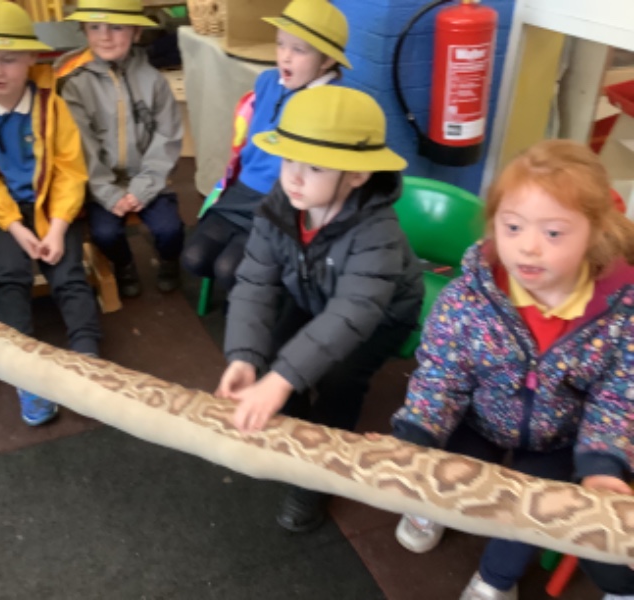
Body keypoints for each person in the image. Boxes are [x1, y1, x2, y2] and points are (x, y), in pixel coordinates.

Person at [390, 140, 634, 600]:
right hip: (479, 417)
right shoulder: (468, 298)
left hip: (559, 437)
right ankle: (431, 511)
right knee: (443, 475)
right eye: (513, 226)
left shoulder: (620, 313)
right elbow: (441, 375)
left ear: (594, 234)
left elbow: (619, 397)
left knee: (534, 514)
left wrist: (603, 463)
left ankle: (495, 580)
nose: (528, 247)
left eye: (554, 233)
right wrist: (417, 433)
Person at [215, 86, 423, 532]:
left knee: (340, 380)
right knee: (271, 354)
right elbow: (255, 281)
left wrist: (281, 380)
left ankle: (319, 472)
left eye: (314, 167)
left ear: (357, 175)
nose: (294, 178)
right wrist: (244, 357)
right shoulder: (281, 206)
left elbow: (354, 312)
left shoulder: (377, 231)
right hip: (313, 292)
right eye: (289, 160)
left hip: (380, 315)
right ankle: (297, 426)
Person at [0, 0, 102, 426]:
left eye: (8, 59)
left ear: (32, 57)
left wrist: (58, 227)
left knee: (69, 273)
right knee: (10, 275)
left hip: (51, 204)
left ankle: (89, 360)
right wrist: (15, 227)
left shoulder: (50, 103)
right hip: (0, 212)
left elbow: (70, 169)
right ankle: (24, 372)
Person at [180, 0, 352, 295]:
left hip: (286, 203)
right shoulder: (267, 81)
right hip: (243, 190)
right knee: (194, 258)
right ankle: (255, 294)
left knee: (230, 270)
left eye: (299, 50)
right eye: (281, 44)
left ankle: (260, 303)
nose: (285, 56)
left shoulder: (333, 103)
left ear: (326, 60)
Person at [55, 0, 185, 298]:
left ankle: (169, 261)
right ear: (84, 30)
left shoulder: (153, 80)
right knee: (104, 233)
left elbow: (166, 137)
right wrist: (107, 193)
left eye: (116, 27)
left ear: (136, 32)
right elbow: (80, 146)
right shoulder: (75, 84)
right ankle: (124, 265)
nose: (105, 36)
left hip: (149, 176)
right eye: (94, 27)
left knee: (170, 229)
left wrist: (143, 188)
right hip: (100, 183)